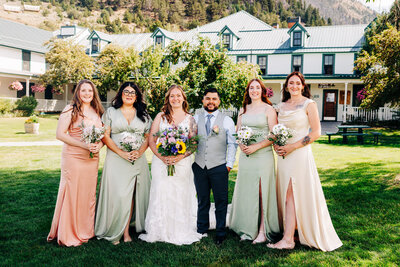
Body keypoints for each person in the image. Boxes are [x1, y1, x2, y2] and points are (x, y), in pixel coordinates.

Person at [267, 72, 342, 251]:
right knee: (285, 193)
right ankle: (294, 231)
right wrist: (277, 145)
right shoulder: (281, 106)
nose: (294, 86)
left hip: (299, 153)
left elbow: (316, 132)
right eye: (290, 83)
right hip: (284, 156)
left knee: (291, 194)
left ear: (303, 86)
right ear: (286, 87)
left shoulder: (309, 104)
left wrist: (293, 147)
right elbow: (276, 130)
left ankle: (288, 240)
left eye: (297, 83)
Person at [138, 85, 201, 245]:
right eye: (172, 96)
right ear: (168, 99)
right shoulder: (161, 116)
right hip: (161, 162)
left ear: (183, 98)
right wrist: (162, 157)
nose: (175, 99)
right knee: (161, 191)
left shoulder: (190, 118)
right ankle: (159, 229)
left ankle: (180, 229)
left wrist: (179, 157)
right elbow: (152, 140)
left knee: (180, 193)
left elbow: (193, 144)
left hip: (182, 163)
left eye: (178, 96)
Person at [47, 79, 104, 246]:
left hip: (91, 159)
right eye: (83, 90)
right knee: (72, 193)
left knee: (87, 195)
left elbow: (102, 136)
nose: (87, 94)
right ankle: (68, 233)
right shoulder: (70, 109)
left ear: (94, 94)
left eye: (90, 91)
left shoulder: (97, 111)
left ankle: (86, 230)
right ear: (78, 93)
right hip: (73, 157)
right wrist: (84, 145)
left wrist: (98, 146)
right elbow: (60, 134)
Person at [95, 82, 152, 245]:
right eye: (126, 91)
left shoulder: (144, 115)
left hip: (137, 160)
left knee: (132, 195)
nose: (129, 94)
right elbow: (105, 136)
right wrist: (121, 153)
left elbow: (148, 137)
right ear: (120, 94)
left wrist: (139, 152)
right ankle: (113, 227)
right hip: (116, 158)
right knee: (119, 194)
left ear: (137, 96)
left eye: (132, 92)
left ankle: (126, 231)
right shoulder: (111, 112)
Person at [229, 79, 280, 244]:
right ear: (248, 91)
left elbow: (274, 135)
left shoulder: (269, 109)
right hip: (246, 156)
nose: (254, 90)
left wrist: (257, 146)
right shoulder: (243, 110)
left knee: (261, 191)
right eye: (251, 88)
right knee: (248, 191)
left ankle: (262, 231)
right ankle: (247, 228)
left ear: (262, 90)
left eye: (257, 87)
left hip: (262, 155)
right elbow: (238, 132)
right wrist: (242, 144)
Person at [192, 88, 237, 245]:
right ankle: (202, 229)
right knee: (202, 199)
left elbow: (232, 144)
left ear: (219, 101)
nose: (211, 101)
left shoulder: (227, 121)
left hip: (219, 166)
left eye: (214, 99)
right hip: (199, 165)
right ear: (203, 100)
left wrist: (229, 165)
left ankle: (220, 232)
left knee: (221, 200)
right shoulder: (195, 119)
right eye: (208, 98)